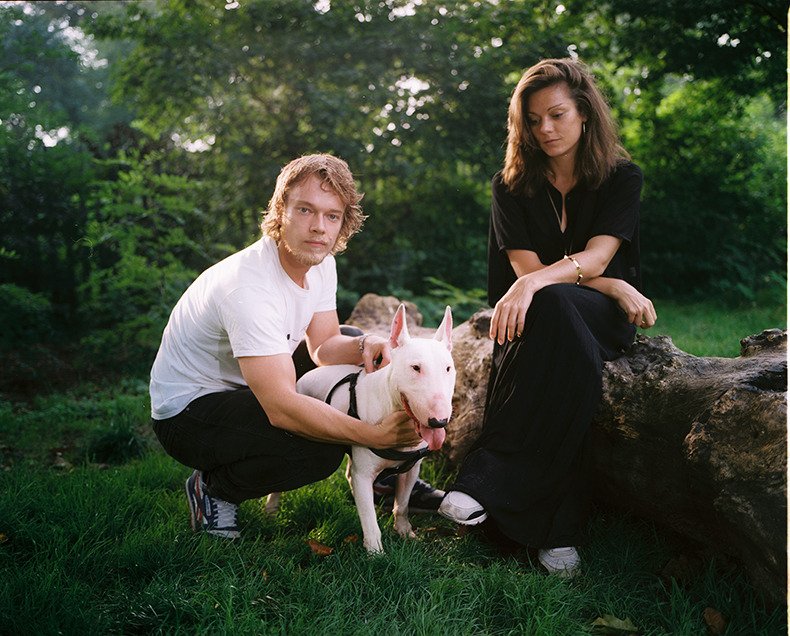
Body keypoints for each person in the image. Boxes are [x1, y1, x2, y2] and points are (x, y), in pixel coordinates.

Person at [438, 58, 656, 577]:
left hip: (601, 318)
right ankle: (557, 530)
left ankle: (483, 484)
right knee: (567, 355)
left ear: (585, 114)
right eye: (533, 120)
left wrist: (577, 282)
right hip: (535, 319)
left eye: (557, 115)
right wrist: (612, 282)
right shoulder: (510, 185)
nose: (546, 129)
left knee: (556, 304)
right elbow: (530, 270)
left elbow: (584, 260)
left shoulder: (621, 176)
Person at [149, 154, 442, 540]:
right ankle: (214, 489)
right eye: (305, 210)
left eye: (332, 216)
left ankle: (387, 470)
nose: (319, 227)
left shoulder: (320, 262)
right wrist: (370, 436)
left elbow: (323, 346)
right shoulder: (248, 287)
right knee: (316, 453)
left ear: (344, 223)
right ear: (280, 210)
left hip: (249, 380)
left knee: (360, 344)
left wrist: (367, 344)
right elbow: (283, 409)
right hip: (189, 414)